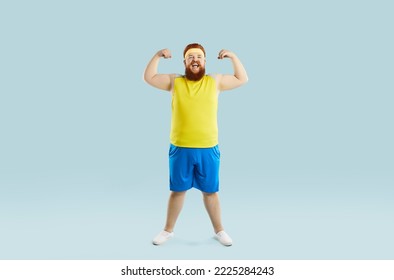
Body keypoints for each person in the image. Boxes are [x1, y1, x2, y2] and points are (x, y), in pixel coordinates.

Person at [143, 43, 248, 246]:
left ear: (204, 61)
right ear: (184, 62)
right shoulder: (175, 82)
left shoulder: (215, 81)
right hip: (180, 147)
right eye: (190, 57)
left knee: (210, 192)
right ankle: (167, 230)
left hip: (208, 148)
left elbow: (242, 78)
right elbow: (149, 78)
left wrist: (233, 57)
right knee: (177, 191)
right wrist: (157, 55)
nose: (195, 59)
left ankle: (220, 231)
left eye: (199, 56)